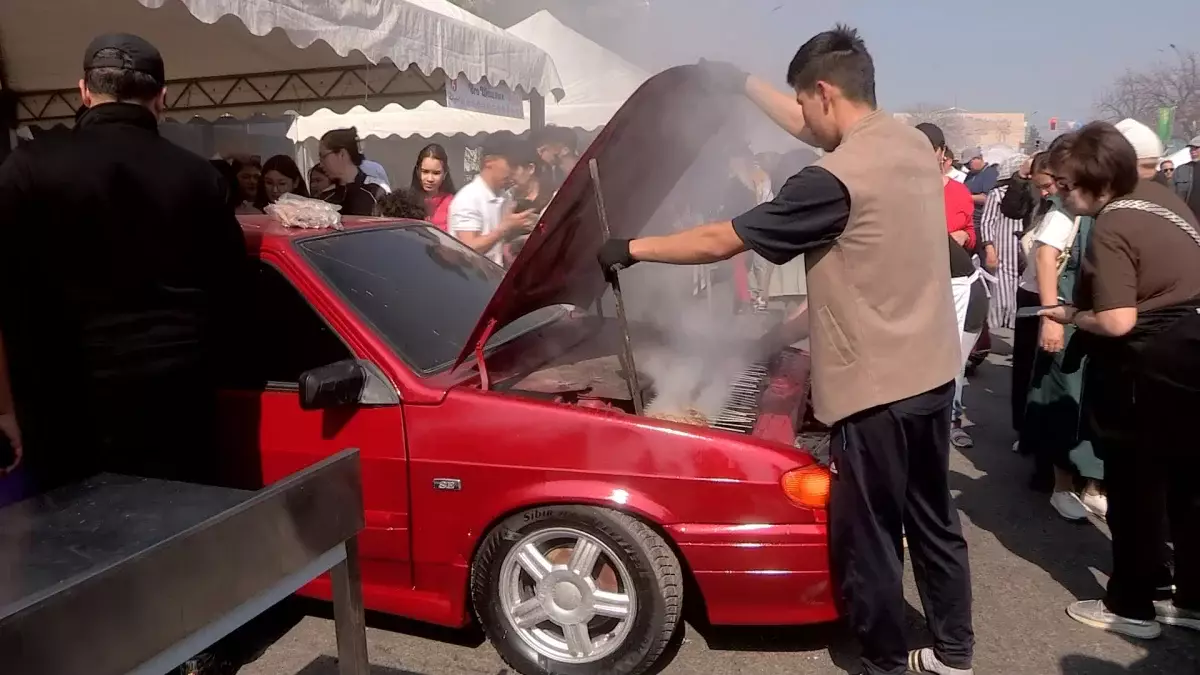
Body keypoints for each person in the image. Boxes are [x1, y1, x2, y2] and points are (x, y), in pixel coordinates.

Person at [599, 27, 974, 675]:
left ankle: (883, 660)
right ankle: (953, 651)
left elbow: (723, 238)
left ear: (824, 93)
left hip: (875, 387)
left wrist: (631, 249)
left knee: (872, 532)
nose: (799, 121)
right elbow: (817, 129)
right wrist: (740, 81)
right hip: (933, 369)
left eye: (803, 104)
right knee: (932, 516)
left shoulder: (831, 181)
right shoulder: (910, 143)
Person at [0, 31, 247, 492]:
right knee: (175, 549)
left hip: (63, 415)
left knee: (79, 556)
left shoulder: (28, 168)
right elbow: (232, 292)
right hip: (177, 412)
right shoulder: (200, 178)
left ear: (84, 91)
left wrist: (5, 409)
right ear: (161, 97)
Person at [1039, 121, 1200, 640]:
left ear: (1096, 178)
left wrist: (1068, 316)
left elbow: (1117, 320)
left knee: (1135, 485)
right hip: (1192, 347)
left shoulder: (1110, 224)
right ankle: (1188, 597)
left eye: (1066, 185)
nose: (1061, 194)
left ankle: (1132, 605)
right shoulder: (1160, 197)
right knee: (1186, 485)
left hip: (1150, 358)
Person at [917, 123, 986, 450]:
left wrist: (965, 238)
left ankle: (952, 421)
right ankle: (923, 427)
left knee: (953, 364)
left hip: (960, 284)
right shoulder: (903, 191)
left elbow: (972, 233)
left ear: (941, 153)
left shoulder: (958, 191)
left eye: (929, 150)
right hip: (920, 288)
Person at [448, 142, 536, 266]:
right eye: (511, 164)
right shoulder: (468, 198)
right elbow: (468, 248)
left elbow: (500, 240)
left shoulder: (505, 196)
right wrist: (504, 228)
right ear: (488, 162)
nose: (513, 171)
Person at [978, 155, 1028, 330]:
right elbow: (987, 222)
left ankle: (1017, 325)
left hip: (1023, 251)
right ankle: (998, 325)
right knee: (1002, 289)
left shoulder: (1032, 194)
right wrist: (989, 247)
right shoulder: (997, 194)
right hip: (1003, 249)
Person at [318, 127, 387, 216]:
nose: (320, 164)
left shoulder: (377, 190)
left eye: (323, 156)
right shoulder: (325, 197)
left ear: (341, 154)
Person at [409, 143, 456, 231]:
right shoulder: (406, 204)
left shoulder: (453, 204)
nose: (430, 179)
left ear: (445, 174)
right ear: (418, 171)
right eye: (425, 172)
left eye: (436, 173)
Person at [962, 145, 999, 231]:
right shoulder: (970, 175)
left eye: (968, 163)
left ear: (979, 158)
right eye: (965, 164)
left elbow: (987, 198)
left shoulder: (990, 173)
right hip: (968, 218)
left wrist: (965, 198)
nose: (967, 166)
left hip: (980, 221)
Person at [531, 124, 580, 189]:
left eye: (544, 149)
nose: (540, 155)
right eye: (538, 151)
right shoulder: (556, 176)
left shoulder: (587, 173)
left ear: (565, 150)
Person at [1171, 135, 1198, 217]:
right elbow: (1173, 194)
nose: (1192, 151)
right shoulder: (1181, 170)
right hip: (1188, 217)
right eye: (1191, 149)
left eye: (1196, 148)